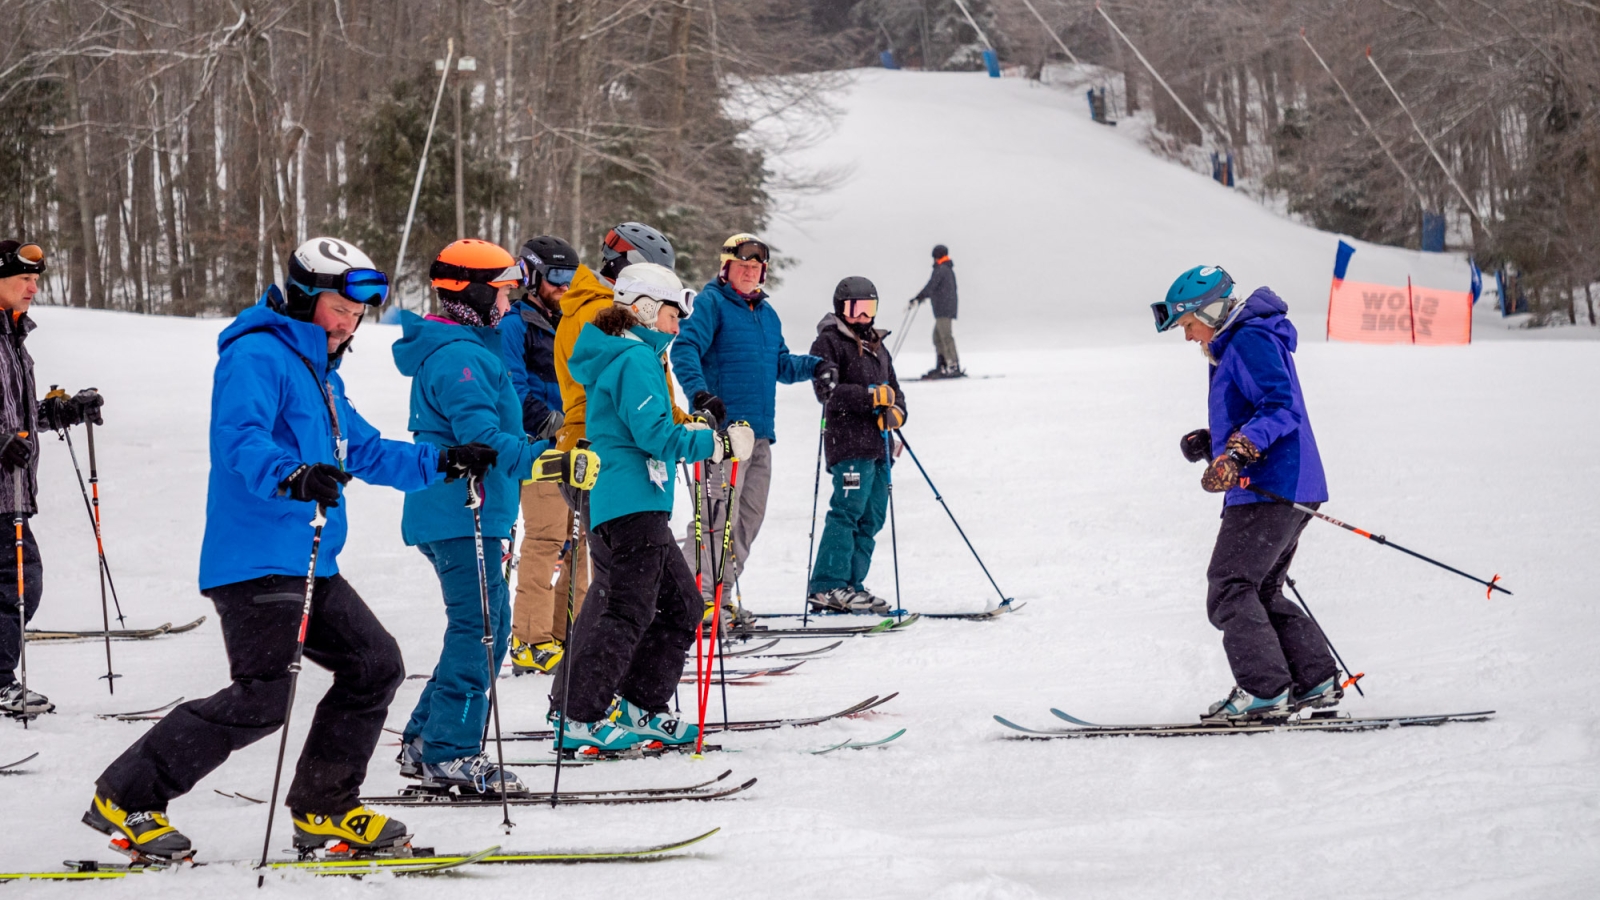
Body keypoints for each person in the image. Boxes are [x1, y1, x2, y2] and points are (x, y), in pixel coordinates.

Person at [89, 237, 481, 860]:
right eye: (338, 308)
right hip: (256, 560)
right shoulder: (258, 355)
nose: (349, 322)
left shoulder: (319, 374)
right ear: (303, 298)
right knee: (263, 695)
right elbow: (238, 438)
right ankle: (126, 794)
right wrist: (291, 474)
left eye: (357, 315)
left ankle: (325, 810)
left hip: (309, 563)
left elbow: (368, 451)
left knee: (374, 665)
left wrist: (446, 460)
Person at [392, 239, 593, 793]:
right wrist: (552, 457)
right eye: (503, 290)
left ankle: (424, 741)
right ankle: (451, 751)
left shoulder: (469, 346)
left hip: (468, 513)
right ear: (473, 293)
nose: (510, 300)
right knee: (481, 630)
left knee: (484, 626)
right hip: (461, 513)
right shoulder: (460, 356)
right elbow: (481, 437)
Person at [555, 262, 751, 751]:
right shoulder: (634, 358)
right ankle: (578, 715)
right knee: (626, 609)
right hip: (627, 501)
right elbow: (655, 436)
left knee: (682, 604)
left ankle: (641, 706)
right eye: (671, 314)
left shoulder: (633, 356)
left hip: (639, 500)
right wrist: (716, 445)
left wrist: (707, 437)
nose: (677, 326)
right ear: (643, 309)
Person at [1153, 264, 1342, 723]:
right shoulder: (1238, 341)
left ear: (1213, 311)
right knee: (1259, 588)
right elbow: (1258, 408)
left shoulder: (1247, 340)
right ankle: (1313, 680)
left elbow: (1280, 406)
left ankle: (1264, 690)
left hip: (1270, 486)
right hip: (1284, 481)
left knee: (1230, 586)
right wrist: (1215, 443)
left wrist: (1238, 451)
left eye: (1188, 323)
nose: (1187, 336)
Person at [547, 223, 686, 713]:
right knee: (620, 594)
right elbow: (622, 403)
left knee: (629, 590)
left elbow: (654, 402)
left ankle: (607, 698)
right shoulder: (596, 315)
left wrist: (689, 422)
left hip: (622, 464)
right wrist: (687, 437)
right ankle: (577, 701)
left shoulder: (627, 325)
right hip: (602, 462)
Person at [670, 233, 821, 620]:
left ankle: (720, 595)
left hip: (760, 437)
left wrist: (817, 365)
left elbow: (782, 365)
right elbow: (685, 348)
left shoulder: (767, 316)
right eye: (743, 266)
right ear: (727, 268)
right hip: (722, 436)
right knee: (714, 518)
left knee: (747, 520)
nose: (750, 272)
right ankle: (694, 599)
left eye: (756, 268)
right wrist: (700, 396)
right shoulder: (712, 304)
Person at [0, 240, 103, 717]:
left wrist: (61, 411)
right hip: (3, 491)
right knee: (18, 584)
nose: (33, 287)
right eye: (23, 278)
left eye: (36, 279)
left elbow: (18, 417)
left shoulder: (14, 340)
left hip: (13, 489)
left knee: (17, 583)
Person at [499, 235, 586, 675]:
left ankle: (570, 633)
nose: (564, 286)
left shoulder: (577, 322)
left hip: (580, 449)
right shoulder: (515, 325)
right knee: (547, 540)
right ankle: (530, 641)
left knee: (582, 543)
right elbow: (513, 390)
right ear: (531, 277)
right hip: (542, 449)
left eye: (571, 277)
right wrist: (552, 424)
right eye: (556, 278)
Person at [805, 276, 906, 615]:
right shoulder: (829, 342)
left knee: (872, 517)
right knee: (847, 512)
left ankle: (851, 586)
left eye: (869, 309)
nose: (863, 316)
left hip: (879, 446)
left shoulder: (879, 347)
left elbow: (896, 391)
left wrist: (896, 414)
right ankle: (827, 585)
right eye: (856, 309)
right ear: (841, 309)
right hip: (848, 443)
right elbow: (826, 391)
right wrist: (868, 397)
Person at [909, 243, 962, 379]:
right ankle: (943, 365)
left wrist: (919, 297)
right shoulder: (945, 269)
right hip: (942, 309)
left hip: (944, 310)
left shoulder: (942, 269)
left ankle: (952, 366)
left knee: (945, 336)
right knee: (937, 337)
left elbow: (931, 285)